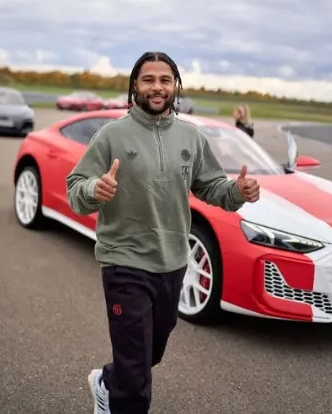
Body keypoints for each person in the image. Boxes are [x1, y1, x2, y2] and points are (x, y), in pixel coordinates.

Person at [66, 51, 260, 414]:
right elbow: (76, 188)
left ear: (175, 86)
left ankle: (107, 381)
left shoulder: (190, 135)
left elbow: (212, 187)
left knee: (149, 353)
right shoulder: (112, 136)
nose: (157, 87)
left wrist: (238, 192)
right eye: (149, 79)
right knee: (137, 381)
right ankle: (120, 395)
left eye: (164, 80)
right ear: (135, 86)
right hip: (124, 262)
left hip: (172, 262)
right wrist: (94, 190)